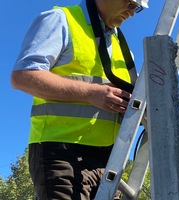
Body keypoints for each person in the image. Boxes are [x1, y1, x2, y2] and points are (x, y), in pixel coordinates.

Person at [10, 0, 148, 199]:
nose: (132, 13)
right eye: (130, 3)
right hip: (62, 153)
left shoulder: (122, 47)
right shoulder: (61, 19)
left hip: (109, 163)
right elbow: (23, 76)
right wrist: (90, 93)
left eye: (137, 7)